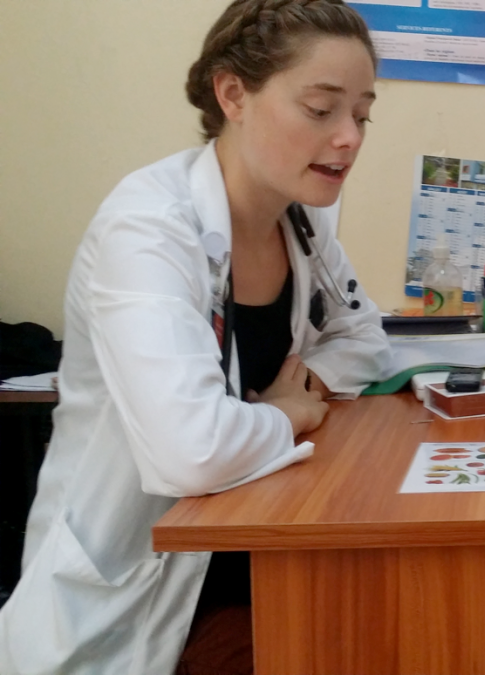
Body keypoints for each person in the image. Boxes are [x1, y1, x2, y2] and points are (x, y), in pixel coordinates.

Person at [0, 1, 392, 673]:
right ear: (233, 93)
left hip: (254, 546)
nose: (350, 137)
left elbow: (366, 340)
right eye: (321, 109)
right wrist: (281, 413)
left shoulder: (300, 220)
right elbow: (192, 450)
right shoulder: (148, 229)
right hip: (143, 593)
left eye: (361, 114)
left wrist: (303, 390)